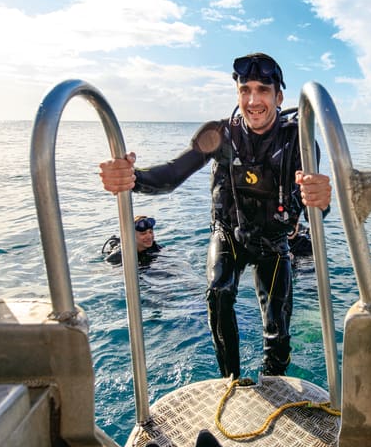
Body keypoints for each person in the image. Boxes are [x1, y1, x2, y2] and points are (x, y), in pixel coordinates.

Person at [98, 53, 332, 379]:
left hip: (274, 242)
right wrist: (131, 178)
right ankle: (230, 382)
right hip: (230, 234)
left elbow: (312, 204)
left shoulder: (298, 141)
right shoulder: (219, 135)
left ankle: (274, 383)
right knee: (218, 292)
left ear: (278, 97)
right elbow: (171, 174)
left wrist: (322, 199)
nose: (253, 100)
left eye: (263, 90)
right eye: (245, 90)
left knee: (278, 328)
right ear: (237, 94)